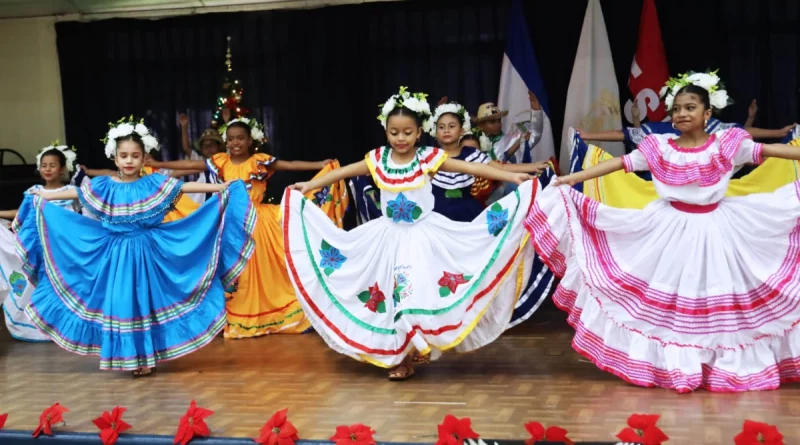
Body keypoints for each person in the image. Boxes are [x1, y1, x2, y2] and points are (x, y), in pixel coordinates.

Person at [524, 71, 800, 392]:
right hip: (669, 229)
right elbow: (620, 163)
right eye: (677, 109)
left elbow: (773, 152)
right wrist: (571, 180)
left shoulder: (727, 144)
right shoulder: (660, 148)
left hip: (719, 229)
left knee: (715, 298)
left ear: (707, 113)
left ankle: (722, 364)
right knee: (673, 302)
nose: (682, 114)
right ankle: (678, 365)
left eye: (690, 107)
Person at [282, 87, 535, 381]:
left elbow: (468, 166)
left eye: (406, 132)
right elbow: (346, 171)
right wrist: (308, 186)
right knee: (393, 298)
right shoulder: (378, 159)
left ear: (418, 133)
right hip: (387, 238)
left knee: (414, 294)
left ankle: (416, 346)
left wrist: (512, 176)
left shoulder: (427, 158)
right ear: (386, 132)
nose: (400, 138)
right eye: (394, 132)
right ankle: (400, 357)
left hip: (423, 237)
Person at [15, 118, 255, 377]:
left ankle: (146, 358)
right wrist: (44, 197)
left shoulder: (153, 184)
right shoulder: (104, 186)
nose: (129, 161)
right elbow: (75, 194)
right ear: (115, 158)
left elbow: (184, 187)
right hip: (115, 255)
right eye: (124, 156)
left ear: (143, 159)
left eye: (135, 156)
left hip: (147, 253)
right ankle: (126, 357)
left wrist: (220, 187)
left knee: (145, 304)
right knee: (121, 303)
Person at [147, 117, 348, 338]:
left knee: (267, 266)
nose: (235, 143)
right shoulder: (220, 161)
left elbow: (289, 165)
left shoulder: (259, 161)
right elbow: (189, 165)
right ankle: (231, 314)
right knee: (235, 270)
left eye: (240, 138)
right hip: (229, 222)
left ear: (250, 140)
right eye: (231, 139)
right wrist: (157, 165)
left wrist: (320, 165)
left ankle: (275, 308)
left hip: (259, 222)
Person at [0, 143, 80, 342]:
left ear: (62, 168)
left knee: (66, 286)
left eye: (53, 165)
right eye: (44, 165)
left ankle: (67, 327)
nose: (48, 169)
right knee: (42, 285)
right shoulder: (33, 191)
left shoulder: (71, 191)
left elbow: (82, 218)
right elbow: (21, 215)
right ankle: (41, 327)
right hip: (41, 249)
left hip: (64, 248)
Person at [178, 112, 226, 204]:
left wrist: (226, 121)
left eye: (212, 145)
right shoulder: (200, 160)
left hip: (221, 196)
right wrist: (184, 127)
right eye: (205, 146)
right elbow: (186, 148)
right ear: (201, 150)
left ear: (219, 146)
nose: (209, 148)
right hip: (201, 198)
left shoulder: (225, 159)